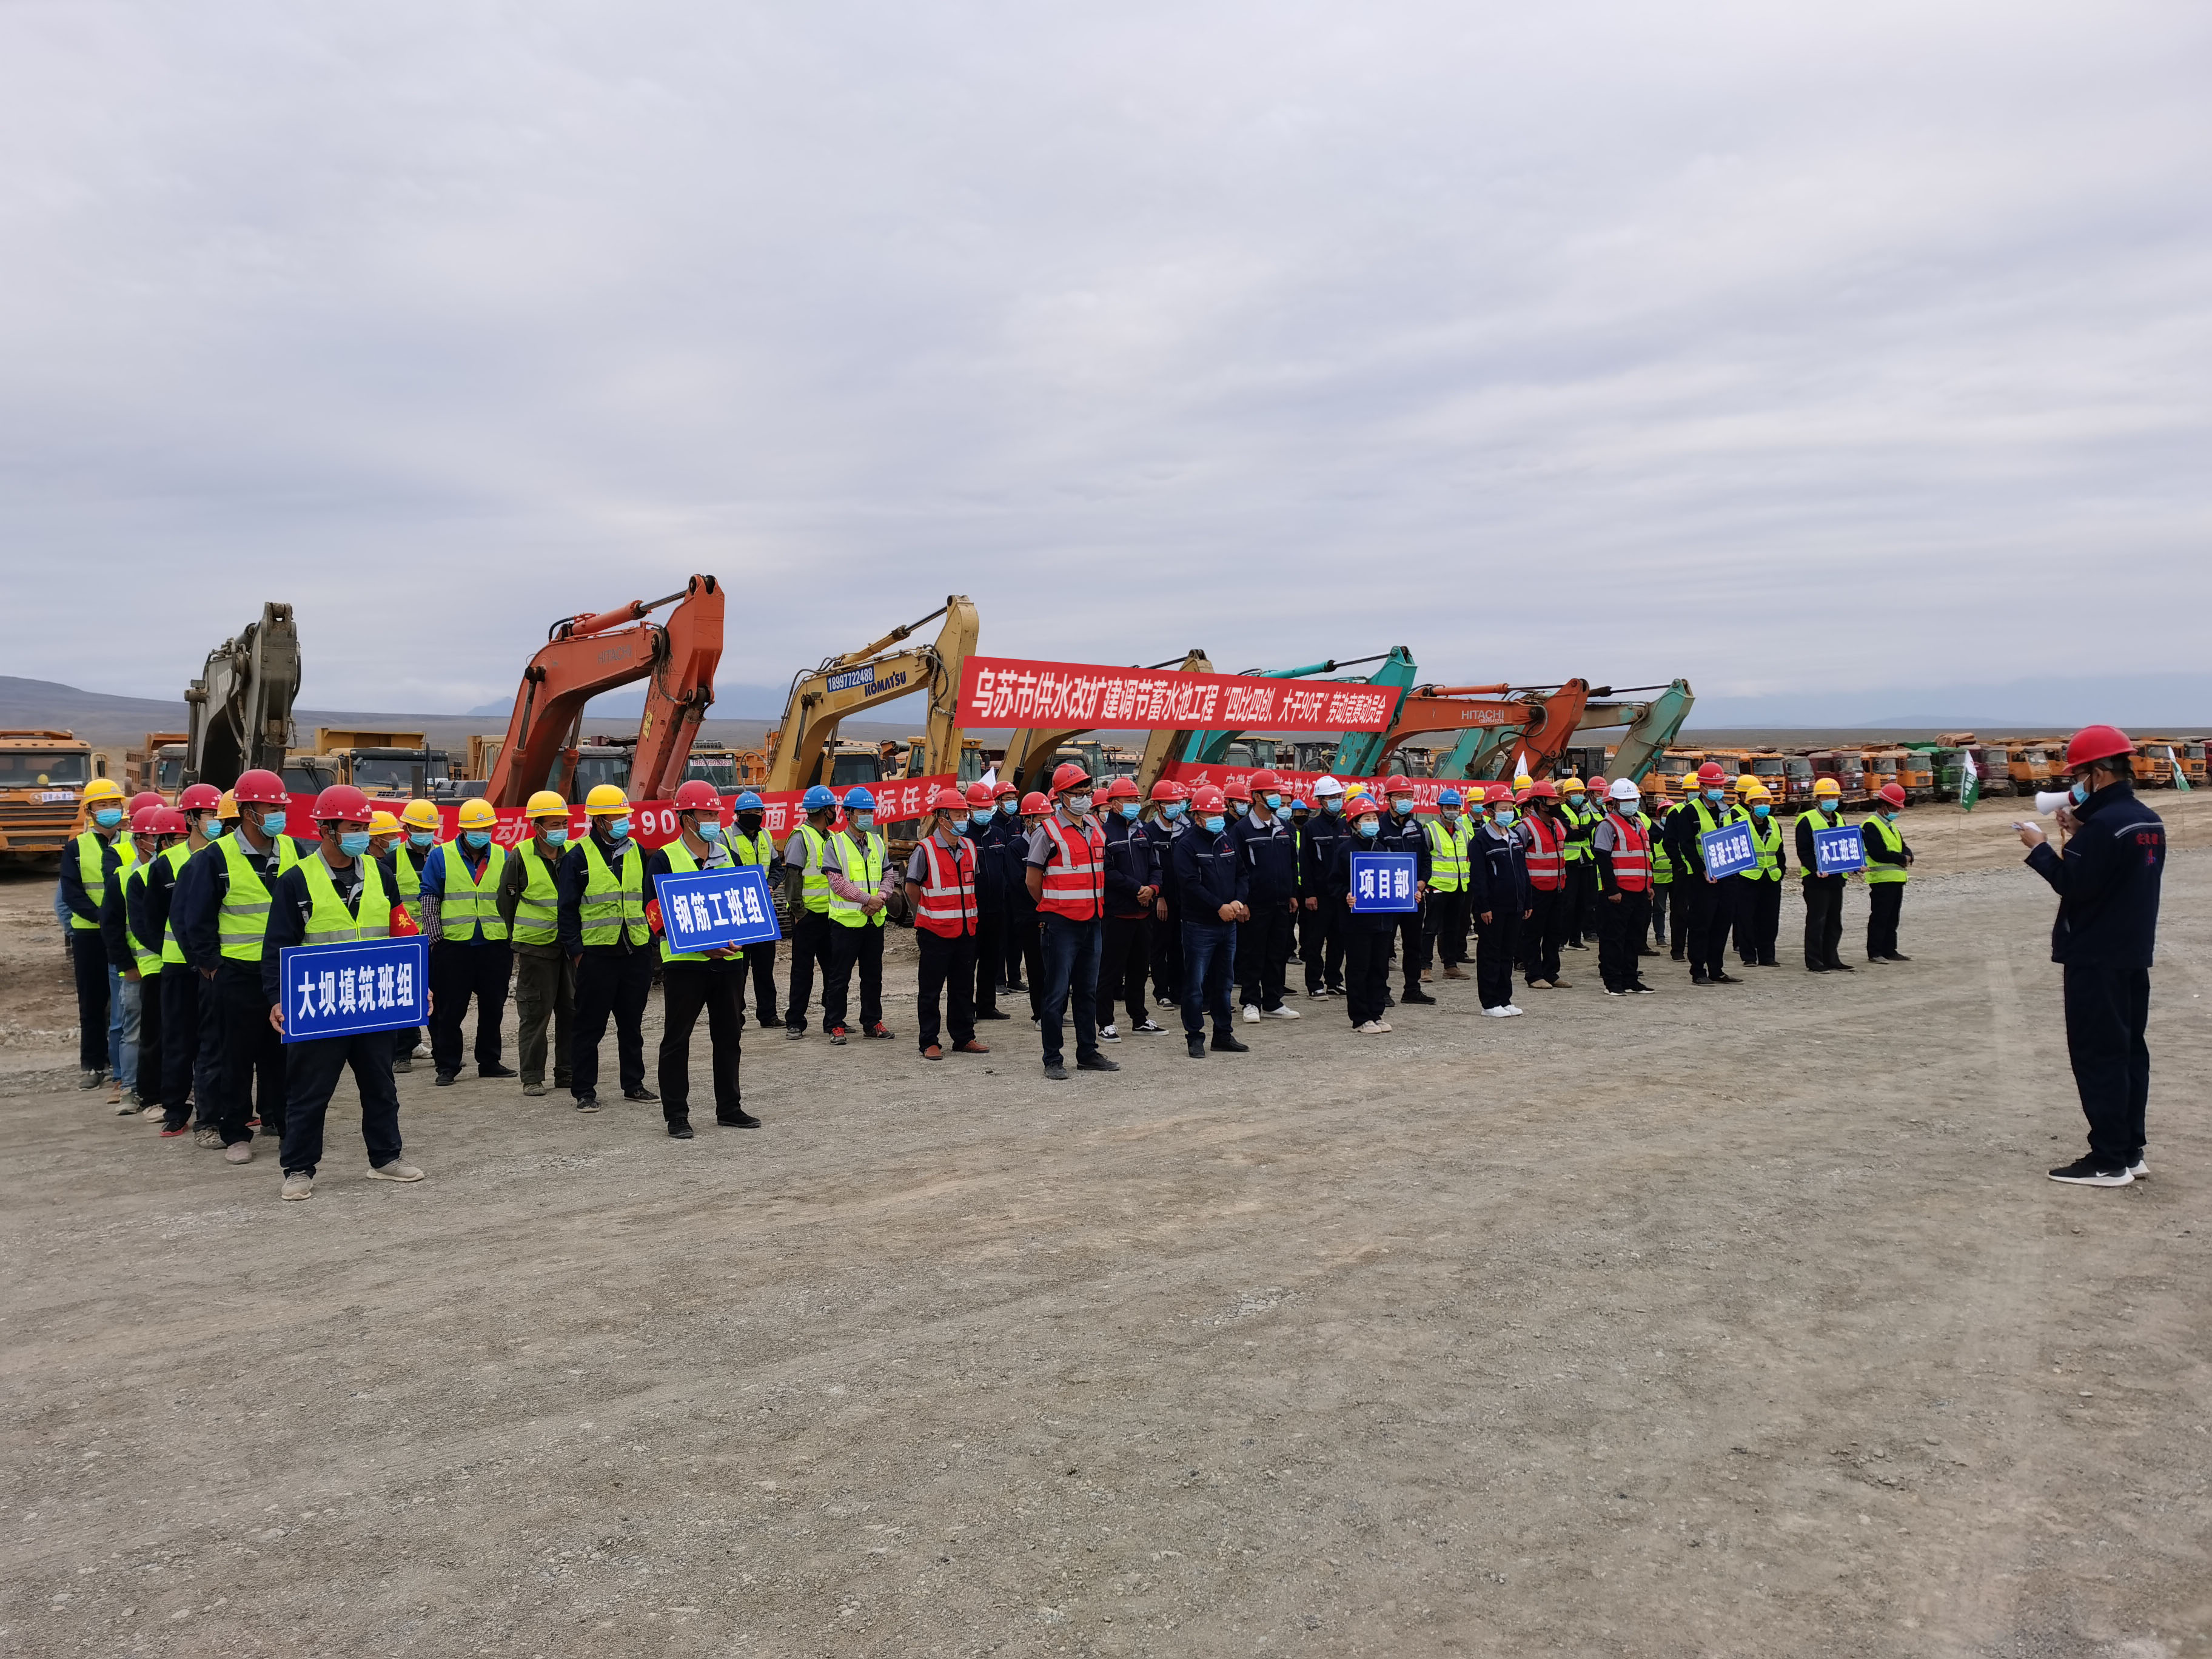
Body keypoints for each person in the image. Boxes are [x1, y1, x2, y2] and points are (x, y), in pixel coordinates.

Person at [2018, 724, 2165, 1187]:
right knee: (2129, 1051)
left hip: (2095, 955)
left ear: (2098, 773)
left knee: (2098, 1054)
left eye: (2079, 775)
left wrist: (2041, 849)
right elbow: (2119, 873)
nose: (2076, 785)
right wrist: (2080, 832)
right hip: (2131, 953)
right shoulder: (2145, 820)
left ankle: (2108, 1160)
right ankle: (2130, 1150)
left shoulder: (2104, 827)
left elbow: (2075, 885)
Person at [260, 785, 423, 1201]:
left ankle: (386, 1158)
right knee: (309, 1092)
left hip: (371, 1001)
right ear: (327, 829)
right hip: (321, 1004)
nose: (362, 835)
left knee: (381, 1086)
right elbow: (277, 946)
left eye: (364, 828)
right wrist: (277, 998)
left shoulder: (381, 874)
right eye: (353, 827)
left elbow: (403, 934)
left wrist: (418, 985)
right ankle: (298, 1168)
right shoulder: (297, 880)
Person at [173, 768, 298, 1164]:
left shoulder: (295, 850)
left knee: (282, 1052)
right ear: (247, 812)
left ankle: (280, 1121)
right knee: (235, 1057)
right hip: (235, 975)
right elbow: (194, 919)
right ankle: (236, 1132)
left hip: (284, 972)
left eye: (281, 807)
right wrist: (210, 966)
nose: (278, 815)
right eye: (271, 808)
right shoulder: (215, 858)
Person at [648, 779, 759, 1136]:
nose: (714, 820)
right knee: (677, 1039)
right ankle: (676, 1115)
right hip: (685, 965)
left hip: (729, 963)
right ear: (687, 818)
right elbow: (656, 916)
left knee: (729, 1036)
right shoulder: (664, 859)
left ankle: (730, 1108)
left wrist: (745, 936)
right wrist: (700, 946)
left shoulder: (730, 857)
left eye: (715, 814)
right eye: (707, 814)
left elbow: (744, 907)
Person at [558, 784, 656, 1112]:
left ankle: (634, 1084)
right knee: (589, 1027)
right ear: (599, 821)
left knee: (632, 1024)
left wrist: (650, 940)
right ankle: (584, 1090)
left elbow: (648, 898)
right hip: (597, 955)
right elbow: (567, 910)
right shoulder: (578, 856)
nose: (623, 822)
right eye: (616, 817)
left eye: (624, 816)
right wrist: (577, 952)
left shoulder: (637, 851)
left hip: (635, 951)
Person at [1025, 762, 1116, 1081]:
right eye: (1077, 793)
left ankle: (1087, 1053)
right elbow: (1032, 881)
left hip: (1092, 921)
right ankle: (1053, 1058)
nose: (1083, 797)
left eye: (1086, 792)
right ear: (1062, 796)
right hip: (1060, 924)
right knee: (1056, 994)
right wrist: (1052, 907)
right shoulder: (1047, 832)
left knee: (1087, 992)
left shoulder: (1095, 827)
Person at [418, 796, 516, 1085]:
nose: (482, 834)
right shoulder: (441, 856)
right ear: (462, 829)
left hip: (494, 944)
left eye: (487, 828)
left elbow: (513, 897)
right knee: (450, 1010)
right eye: (476, 829)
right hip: (454, 946)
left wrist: (511, 935)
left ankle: (490, 1061)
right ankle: (447, 1065)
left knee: (493, 1008)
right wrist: (436, 939)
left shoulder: (503, 856)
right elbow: (429, 897)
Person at [146, 785, 221, 1139]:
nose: (216, 821)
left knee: (216, 1040)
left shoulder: (225, 857)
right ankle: (176, 1109)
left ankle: (217, 1109)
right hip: (179, 965)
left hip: (218, 965)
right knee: (179, 1039)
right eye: (210, 814)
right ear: (191, 818)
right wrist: (187, 954)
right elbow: (151, 920)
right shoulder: (166, 864)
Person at [497, 791, 577, 1097]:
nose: (561, 829)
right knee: (535, 1014)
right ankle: (532, 1076)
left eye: (564, 823)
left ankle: (567, 1072)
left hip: (569, 947)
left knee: (571, 1011)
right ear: (537, 827)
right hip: (536, 949)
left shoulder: (574, 853)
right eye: (555, 824)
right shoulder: (520, 856)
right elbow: (506, 902)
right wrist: (517, 937)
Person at [906, 786, 990, 1062]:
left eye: (965, 814)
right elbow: (911, 888)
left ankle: (964, 1037)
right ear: (942, 818)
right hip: (934, 932)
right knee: (930, 990)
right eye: (958, 815)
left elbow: (973, 885)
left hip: (966, 931)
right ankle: (929, 1041)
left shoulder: (969, 848)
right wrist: (928, 913)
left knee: (963, 987)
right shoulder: (926, 850)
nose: (964, 820)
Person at [61, 776, 133, 1094]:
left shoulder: (134, 842)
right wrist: (104, 919)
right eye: (102, 805)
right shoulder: (76, 847)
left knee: (129, 1003)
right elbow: (72, 893)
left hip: (127, 933)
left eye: (114, 804)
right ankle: (93, 1064)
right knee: (93, 1001)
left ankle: (126, 1067)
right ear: (90, 811)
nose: (109, 810)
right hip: (90, 934)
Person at [110, 804, 179, 1118]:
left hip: (182, 965)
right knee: (144, 1033)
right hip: (149, 966)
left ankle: (177, 1089)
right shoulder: (132, 877)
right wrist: (127, 965)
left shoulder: (192, 868)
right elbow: (127, 927)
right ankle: (140, 1091)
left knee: (181, 1034)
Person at [1170, 785, 1249, 1058]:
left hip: (1228, 924)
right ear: (1197, 816)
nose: (1217, 818)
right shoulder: (1186, 845)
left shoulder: (1227, 840)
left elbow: (1242, 874)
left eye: (1219, 813)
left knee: (1224, 982)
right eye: (1211, 814)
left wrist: (1238, 902)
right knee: (1195, 984)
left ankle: (1223, 1034)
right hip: (1200, 925)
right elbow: (1190, 884)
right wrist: (1218, 907)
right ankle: (1195, 1036)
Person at [821, 785, 897, 1044]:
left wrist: (881, 899)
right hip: (846, 923)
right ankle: (835, 1024)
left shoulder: (877, 842)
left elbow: (889, 875)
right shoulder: (835, 844)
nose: (867, 816)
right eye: (862, 812)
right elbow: (837, 883)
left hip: (874, 921)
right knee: (839, 977)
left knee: (873, 975)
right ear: (849, 814)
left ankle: (872, 1022)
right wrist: (868, 899)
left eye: (870, 812)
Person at [1230, 769, 1301, 1022]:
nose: (1276, 797)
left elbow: (1292, 863)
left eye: (1277, 792)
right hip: (1254, 904)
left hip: (1281, 902)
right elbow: (1236, 869)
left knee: (1277, 953)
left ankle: (1273, 1001)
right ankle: (1251, 1001)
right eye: (1271, 793)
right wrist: (1242, 902)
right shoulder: (1241, 830)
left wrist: (1292, 894)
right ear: (1257, 796)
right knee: (1252, 953)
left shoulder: (1285, 828)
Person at [1668, 762, 1746, 987]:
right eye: (1713, 786)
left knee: (1722, 924)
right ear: (1702, 787)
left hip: (1726, 875)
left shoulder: (1726, 810)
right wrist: (1702, 869)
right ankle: (1698, 970)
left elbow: (1733, 838)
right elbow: (1687, 845)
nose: (1718, 790)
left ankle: (1716, 969)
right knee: (1701, 924)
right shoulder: (1690, 812)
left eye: (1720, 786)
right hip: (1702, 878)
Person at [1327, 794, 1400, 1033]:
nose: (1372, 823)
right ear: (1355, 824)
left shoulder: (1381, 849)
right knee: (1359, 968)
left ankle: (1376, 1013)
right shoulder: (1344, 851)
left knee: (1380, 968)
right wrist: (1346, 895)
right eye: (1366, 819)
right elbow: (1334, 884)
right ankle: (1360, 1018)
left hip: (1382, 921)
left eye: (1374, 818)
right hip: (1356, 923)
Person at [1098, 777, 1164, 1039]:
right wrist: (1138, 889)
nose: (1135, 804)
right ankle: (1105, 1023)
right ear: (1114, 803)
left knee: (1139, 969)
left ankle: (1139, 1018)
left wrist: (1153, 889)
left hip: (1143, 912)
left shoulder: (1143, 831)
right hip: (1117, 913)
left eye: (1136, 799)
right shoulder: (1103, 835)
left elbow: (1156, 867)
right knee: (1110, 971)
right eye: (1129, 800)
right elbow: (1106, 872)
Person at [780, 785, 840, 1039]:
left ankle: (833, 1020)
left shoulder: (831, 837)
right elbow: (793, 877)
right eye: (832, 808)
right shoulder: (801, 838)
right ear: (825, 811)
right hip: (807, 916)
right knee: (802, 972)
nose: (835, 812)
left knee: (834, 971)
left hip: (831, 915)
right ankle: (795, 1021)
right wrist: (798, 910)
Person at [387, 799, 441, 1070]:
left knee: (440, 996)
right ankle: (402, 1053)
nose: (423, 834)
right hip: (403, 940)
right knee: (404, 995)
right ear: (406, 828)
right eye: (418, 828)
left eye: (428, 829)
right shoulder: (391, 861)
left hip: (436, 937)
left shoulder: (444, 856)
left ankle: (443, 1050)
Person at [1467, 785, 1530, 1016]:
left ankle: (1505, 999)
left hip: (1515, 906)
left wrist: (1527, 901)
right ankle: (1490, 1003)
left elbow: (1523, 872)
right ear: (1491, 811)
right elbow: (1478, 877)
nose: (1508, 813)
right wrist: (1483, 906)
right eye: (1503, 809)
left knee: (1507, 953)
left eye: (1510, 808)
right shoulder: (1481, 841)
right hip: (1492, 909)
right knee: (1490, 955)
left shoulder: (1515, 837)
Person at [1592, 777, 1658, 996]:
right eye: (1626, 800)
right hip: (1618, 893)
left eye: (1634, 800)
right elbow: (1602, 859)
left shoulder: (1639, 824)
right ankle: (1613, 982)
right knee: (1613, 939)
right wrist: (1612, 890)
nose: (1632, 804)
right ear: (1614, 803)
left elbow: (1645, 858)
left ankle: (1631, 979)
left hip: (1639, 891)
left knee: (1634, 937)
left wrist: (1649, 884)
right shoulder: (1607, 826)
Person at [726, 791, 782, 1029]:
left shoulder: (766, 836)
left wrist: (771, 885)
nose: (753, 816)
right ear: (738, 815)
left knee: (765, 969)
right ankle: (735, 1017)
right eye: (748, 813)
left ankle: (768, 1015)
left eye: (757, 812)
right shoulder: (725, 837)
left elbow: (778, 868)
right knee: (738, 970)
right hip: (737, 913)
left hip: (763, 913)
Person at [1376, 775, 1433, 1006]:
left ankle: (1412, 989)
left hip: (1414, 898)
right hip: (1389, 899)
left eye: (1409, 796)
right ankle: (1381, 991)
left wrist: (1423, 881)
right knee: (1384, 946)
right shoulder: (1379, 827)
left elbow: (1426, 859)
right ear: (1389, 799)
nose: (1405, 800)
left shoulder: (1416, 827)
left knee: (1413, 945)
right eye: (1400, 796)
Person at [962, 780, 1013, 1023]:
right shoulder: (963, 837)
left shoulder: (998, 834)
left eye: (987, 808)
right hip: (972, 909)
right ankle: (966, 1008)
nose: (985, 812)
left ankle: (986, 1006)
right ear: (969, 809)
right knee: (968, 962)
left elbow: (1005, 870)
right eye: (979, 808)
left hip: (996, 908)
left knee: (990, 960)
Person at [1794, 778, 1854, 973]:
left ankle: (1832, 958)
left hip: (1837, 879)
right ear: (1818, 798)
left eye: (1834, 797)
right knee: (1817, 921)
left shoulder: (1839, 819)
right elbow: (1804, 851)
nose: (1831, 800)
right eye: (1827, 797)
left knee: (1834, 922)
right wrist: (1815, 869)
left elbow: (1845, 846)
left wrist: (1854, 865)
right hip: (1816, 880)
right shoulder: (1807, 820)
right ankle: (1814, 961)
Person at [1515, 780, 1570, 991]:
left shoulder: (1558, 825)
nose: (1558, 804)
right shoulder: (1525, 828)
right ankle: (1534, 974)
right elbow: (1517, 860)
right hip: (1535, 890)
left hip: (1557, 888)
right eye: (1553, 801)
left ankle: (1551, 973)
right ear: (1540, 804)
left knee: (1554, 933)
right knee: (1532, 934)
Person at [1299, 776, 1350, 997]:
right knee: (1315, 942)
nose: (1336, 801)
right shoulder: (1311, 828)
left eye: (1338, 796)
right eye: (1331, 797)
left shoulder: (1346, 826)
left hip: (1342, 895)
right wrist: (1309, 894)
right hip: (1320, 896)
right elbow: (1305, 863)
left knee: (1338, 940)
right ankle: (1314, 984)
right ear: (1320, 801)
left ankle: (1334, 981)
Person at [1144, 779, 1189, 1007]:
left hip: (1184, 898)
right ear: (1157, 806)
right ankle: (1162, 992)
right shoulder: (1148, 832)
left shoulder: (1186, 830)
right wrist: (1159, 897)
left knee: (1179, 945)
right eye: (1169, 803)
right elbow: (1150, 868)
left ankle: (1178, 990)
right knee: (1160, 945)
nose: (1175, 807)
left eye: (1176, 802)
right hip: (1161, 899)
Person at [1421, 788, 1475, 983]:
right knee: (1430, 928)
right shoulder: (1430, 830)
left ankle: (1451, 966)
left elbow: (1468, 857)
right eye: (1448, 807)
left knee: (1453, 928)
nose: (1452, 811)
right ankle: (1425, 967)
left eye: (1455, 807)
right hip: (1437, 887)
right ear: (1441, 809)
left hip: (1458, 887)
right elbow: (1423, 859)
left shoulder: (1463, 832)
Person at [1735, 780, 1788, 968]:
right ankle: (1749, 956)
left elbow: (1780, 852)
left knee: (1770, 919)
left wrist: (1781, 871)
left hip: (1771, 879)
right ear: (1750, 804)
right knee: (1746, 919)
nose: (1763, 806)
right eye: (1759, 803)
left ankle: (1767, 956)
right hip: (1747, 879)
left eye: (1766, 802)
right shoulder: (1739, 824)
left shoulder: (1775, 824)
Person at [1862, 782, 1914, 962]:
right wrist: (1903, 858)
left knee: (1892, 918)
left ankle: (1890, 950)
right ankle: (1875, 952)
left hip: (1896, 878)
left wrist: (1908, 855)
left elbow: (1903, 846)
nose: (1897, 812)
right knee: (1880, 917)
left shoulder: (1890, 826)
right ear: (1884, 806)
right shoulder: (1871, 825)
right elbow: (1878, 853)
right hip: (1881, 879)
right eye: (1895, 808)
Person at [1008, 790, 1048, 1016]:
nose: (1046, 824)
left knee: (1054, 966)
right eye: (1041, 820)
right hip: (1029, 916)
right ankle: (1040, 1013)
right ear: (1028, 821)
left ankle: (1056, 1011)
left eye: (1049, 818)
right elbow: (1020, 883)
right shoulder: (1016, 848)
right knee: (1036, 967)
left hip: (1051, 913)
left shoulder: (1053, 845)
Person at [996, 780, 1030, 996]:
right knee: (1002, 937)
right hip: (1001, 890)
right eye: (1007, 799)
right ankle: (999, 979)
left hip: (1018, 887)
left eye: (1013, 799)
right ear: (998, 801)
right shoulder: (993, 825)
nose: (1011, 803)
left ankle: (1015, 978)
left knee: (1017, 936)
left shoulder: (1018, 823)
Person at [1556, 777, 1598, 950]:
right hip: (1570, 862)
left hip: (1586, 860)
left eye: (1581, 792)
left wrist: (1578, 828)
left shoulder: (1586, 809)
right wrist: (1582, 830)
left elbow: (1594, 827)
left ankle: (1575, 940)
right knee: (1567, 903)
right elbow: (1566, 833)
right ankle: (1561, 940)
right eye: (1574, 792)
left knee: (1583, 902)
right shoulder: (1561, 810)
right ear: (1567, 795)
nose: (1578, 795)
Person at [1647, 790, 1676, 954]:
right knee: (1659, 910)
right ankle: (1660, 937)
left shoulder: (1680, 831)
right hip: (1658, 878)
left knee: (1679, 910)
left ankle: (1679, 937)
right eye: (1665, 813)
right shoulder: (1654, 832)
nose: (1667, 816)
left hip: (1676, 876)